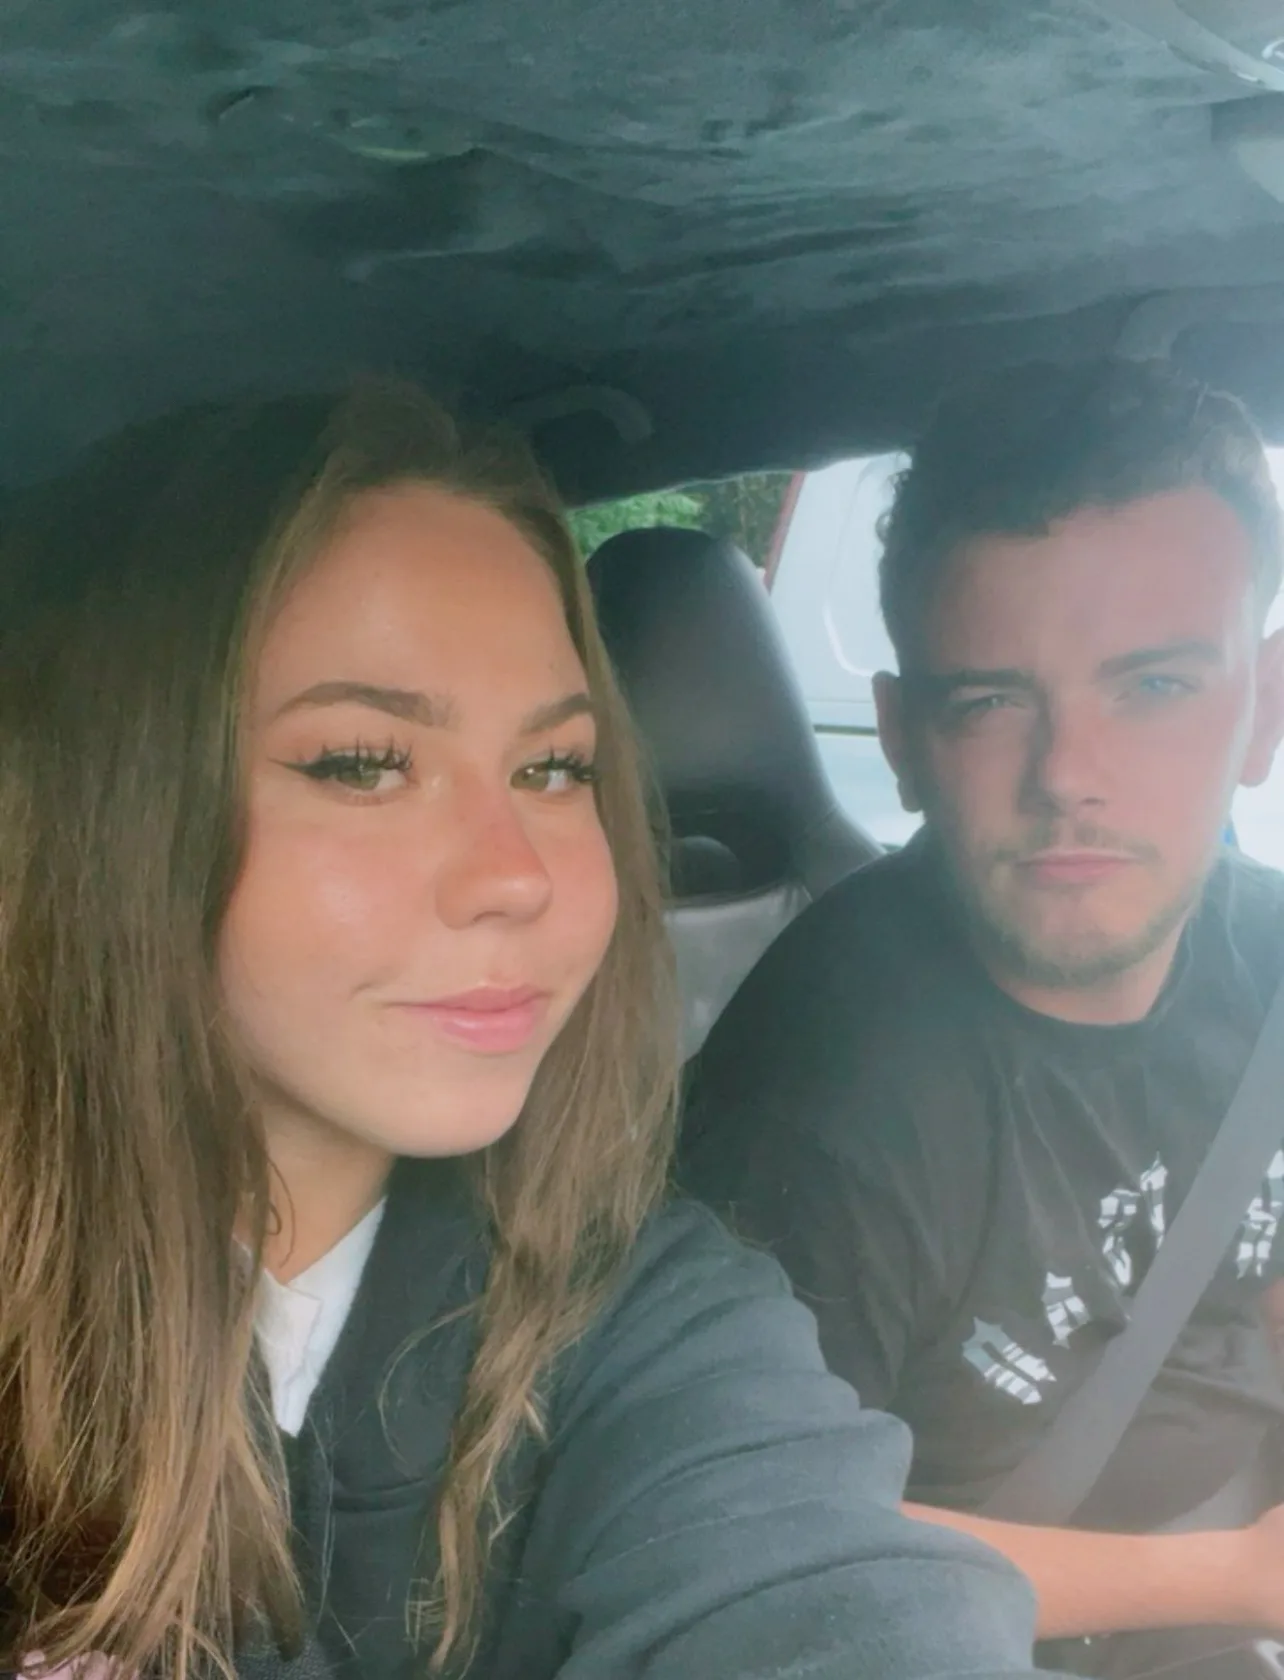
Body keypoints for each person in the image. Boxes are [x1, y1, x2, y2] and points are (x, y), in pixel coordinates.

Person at [0, 382, 1052, 1680]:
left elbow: (830, 1599)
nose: (522, 873)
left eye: (555, 769)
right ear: (108, 805)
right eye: (363, 761)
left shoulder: (638, 1325)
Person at [682, 357, 1284, 1675]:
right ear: (899, 734)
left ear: (1264, 708)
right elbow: (760, 1543)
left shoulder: (1272, 958)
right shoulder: (829, 1096)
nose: (1070, 776)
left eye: (1157, 686)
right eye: (992, 700)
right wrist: (1240, 1578)